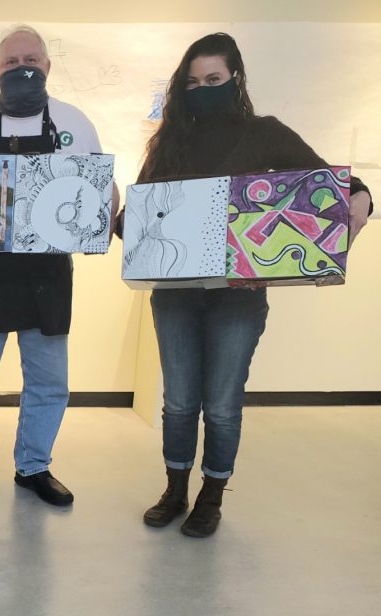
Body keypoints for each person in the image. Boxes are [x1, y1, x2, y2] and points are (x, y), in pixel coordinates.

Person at [132, 33, 371, 537]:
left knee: (220, 402)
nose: (203, 90)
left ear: (235, 79)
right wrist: (113, 220)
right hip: (174, 293)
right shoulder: (168, 141)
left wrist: (363, 198)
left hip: (239, 296)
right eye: (193, 82)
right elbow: (141, 217)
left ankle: (211, 496)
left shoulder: (265, 134)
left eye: (213, 80)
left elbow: (330, 182)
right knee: (178, 400)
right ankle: (175, 489)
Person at [0, 25, 118, 504]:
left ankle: (34, 466)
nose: (21, 66)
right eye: (10, 61)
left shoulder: (75, 124)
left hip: (48, 275)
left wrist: (106, 205)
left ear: (46, 66)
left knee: (48, 380)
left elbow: (102, 191)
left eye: (31, 59)